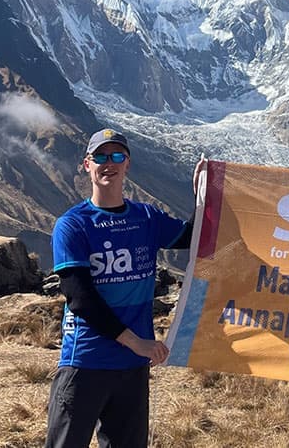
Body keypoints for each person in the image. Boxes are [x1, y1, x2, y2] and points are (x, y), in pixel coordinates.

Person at [45, 128, 204, 448]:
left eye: (117, 156)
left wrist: (204, 192)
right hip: (86, 362)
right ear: (87, 165)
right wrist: (137, 344)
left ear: (127, 164)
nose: (109, 163)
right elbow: (80, 298)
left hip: (131, 368)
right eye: (101, 157)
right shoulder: (73, 224)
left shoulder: (146, 217)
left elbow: (192, 237)